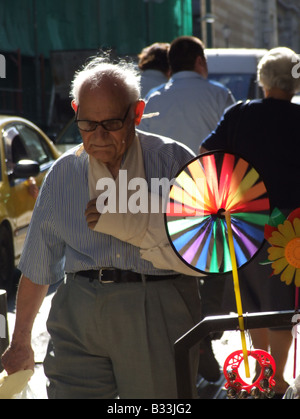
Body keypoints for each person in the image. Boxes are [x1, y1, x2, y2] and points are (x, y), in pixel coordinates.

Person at [1, 56, 202, 399]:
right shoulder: (64, 175)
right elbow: (38, 266)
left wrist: (137, 223)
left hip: (155, 304)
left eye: (110, 123)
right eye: (87, 124)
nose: (97, 136)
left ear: (136, 114)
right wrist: (21, 342)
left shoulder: (173, 162)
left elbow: (204, 248)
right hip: (79, 310)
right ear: (75, 110)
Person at [200, 47, 300, 397]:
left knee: (253, 299)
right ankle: (280, 377)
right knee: (284, 301)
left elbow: (206, 152)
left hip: (245, 220)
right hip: (292, 227)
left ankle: (260, 370)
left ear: (262, 79)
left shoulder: (240, 114)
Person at [139, 36, 235, 153]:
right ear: (200, 61)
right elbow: (234, 139)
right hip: (208, 170)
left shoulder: (154, 98)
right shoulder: (220, 95)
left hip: (168, 170)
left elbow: (141, 143)